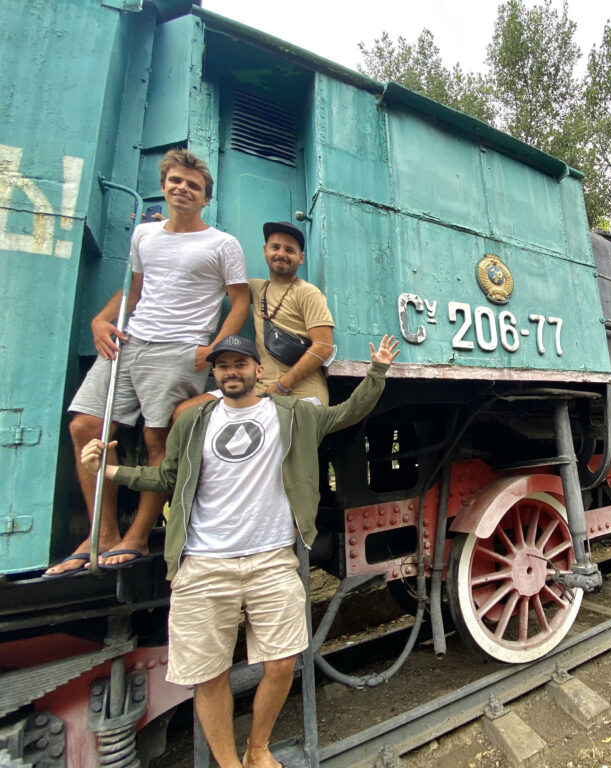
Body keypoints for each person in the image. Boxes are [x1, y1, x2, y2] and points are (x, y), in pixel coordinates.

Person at [80, 333, 400, 768]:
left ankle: (257, 748)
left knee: (283, 662)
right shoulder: (192, 423)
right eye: (223, 366)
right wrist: (110, 470)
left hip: (272, 559)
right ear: (214, 373)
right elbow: (165, 478)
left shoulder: (293, 415)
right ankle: (230, 763)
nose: (231, 372)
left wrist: (377, 370)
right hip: (204, 564)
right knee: (209, 674)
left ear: (257, 370)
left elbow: (350, 412)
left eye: (239, 364)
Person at [46, 149, 250, 576]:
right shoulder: (145, 236)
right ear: (164, 186)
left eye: (193, 185)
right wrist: (102, 319)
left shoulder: (222, 243)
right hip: (131, 340)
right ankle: (101, 533)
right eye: (176, 181)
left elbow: (240, 301)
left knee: (159, 440)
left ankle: (137, 536)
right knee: (84, 426)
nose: (183, 189)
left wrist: (213, 349)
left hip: (180, 348)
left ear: (205, 198)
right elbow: (134, 291)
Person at [173, 220, 333, 419]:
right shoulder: (256, 288)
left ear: (301, 258)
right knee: (184, 414)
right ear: (265, 250)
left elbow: (323, 346)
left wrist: (281, 386)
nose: (281, 254)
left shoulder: (308, 293)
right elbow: (209, 279)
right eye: (275, 247)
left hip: (301, 394)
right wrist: (179, 236)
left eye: (290, 250)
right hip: (256, 390)